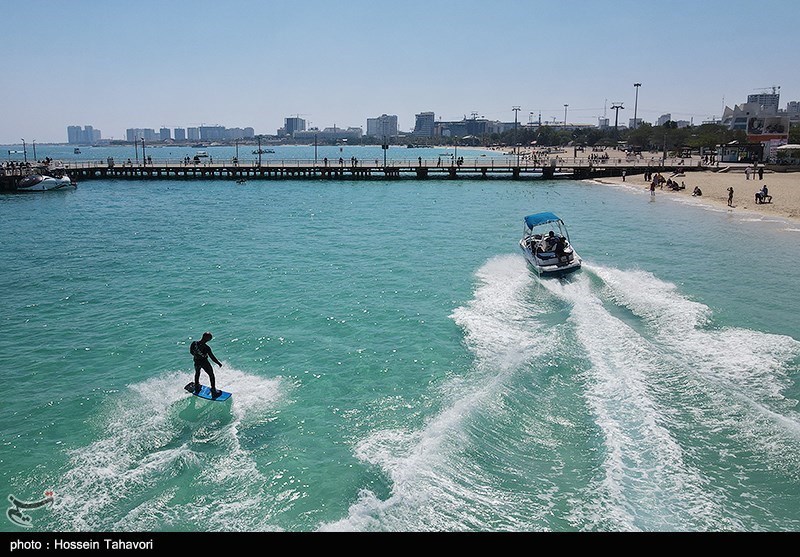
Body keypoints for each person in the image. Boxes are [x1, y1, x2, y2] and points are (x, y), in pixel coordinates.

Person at [190, 332, 223, 397]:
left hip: (196, 361)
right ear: (207, 339)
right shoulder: (207, 348)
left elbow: (191, 352)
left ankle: (197, 386)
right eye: (210, 338)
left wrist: (197, 356)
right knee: (211, 375)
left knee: (197, 373)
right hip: (204, 362)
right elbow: (212, 357)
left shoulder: (194, 343)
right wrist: (218, 363)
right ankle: (213, 390)